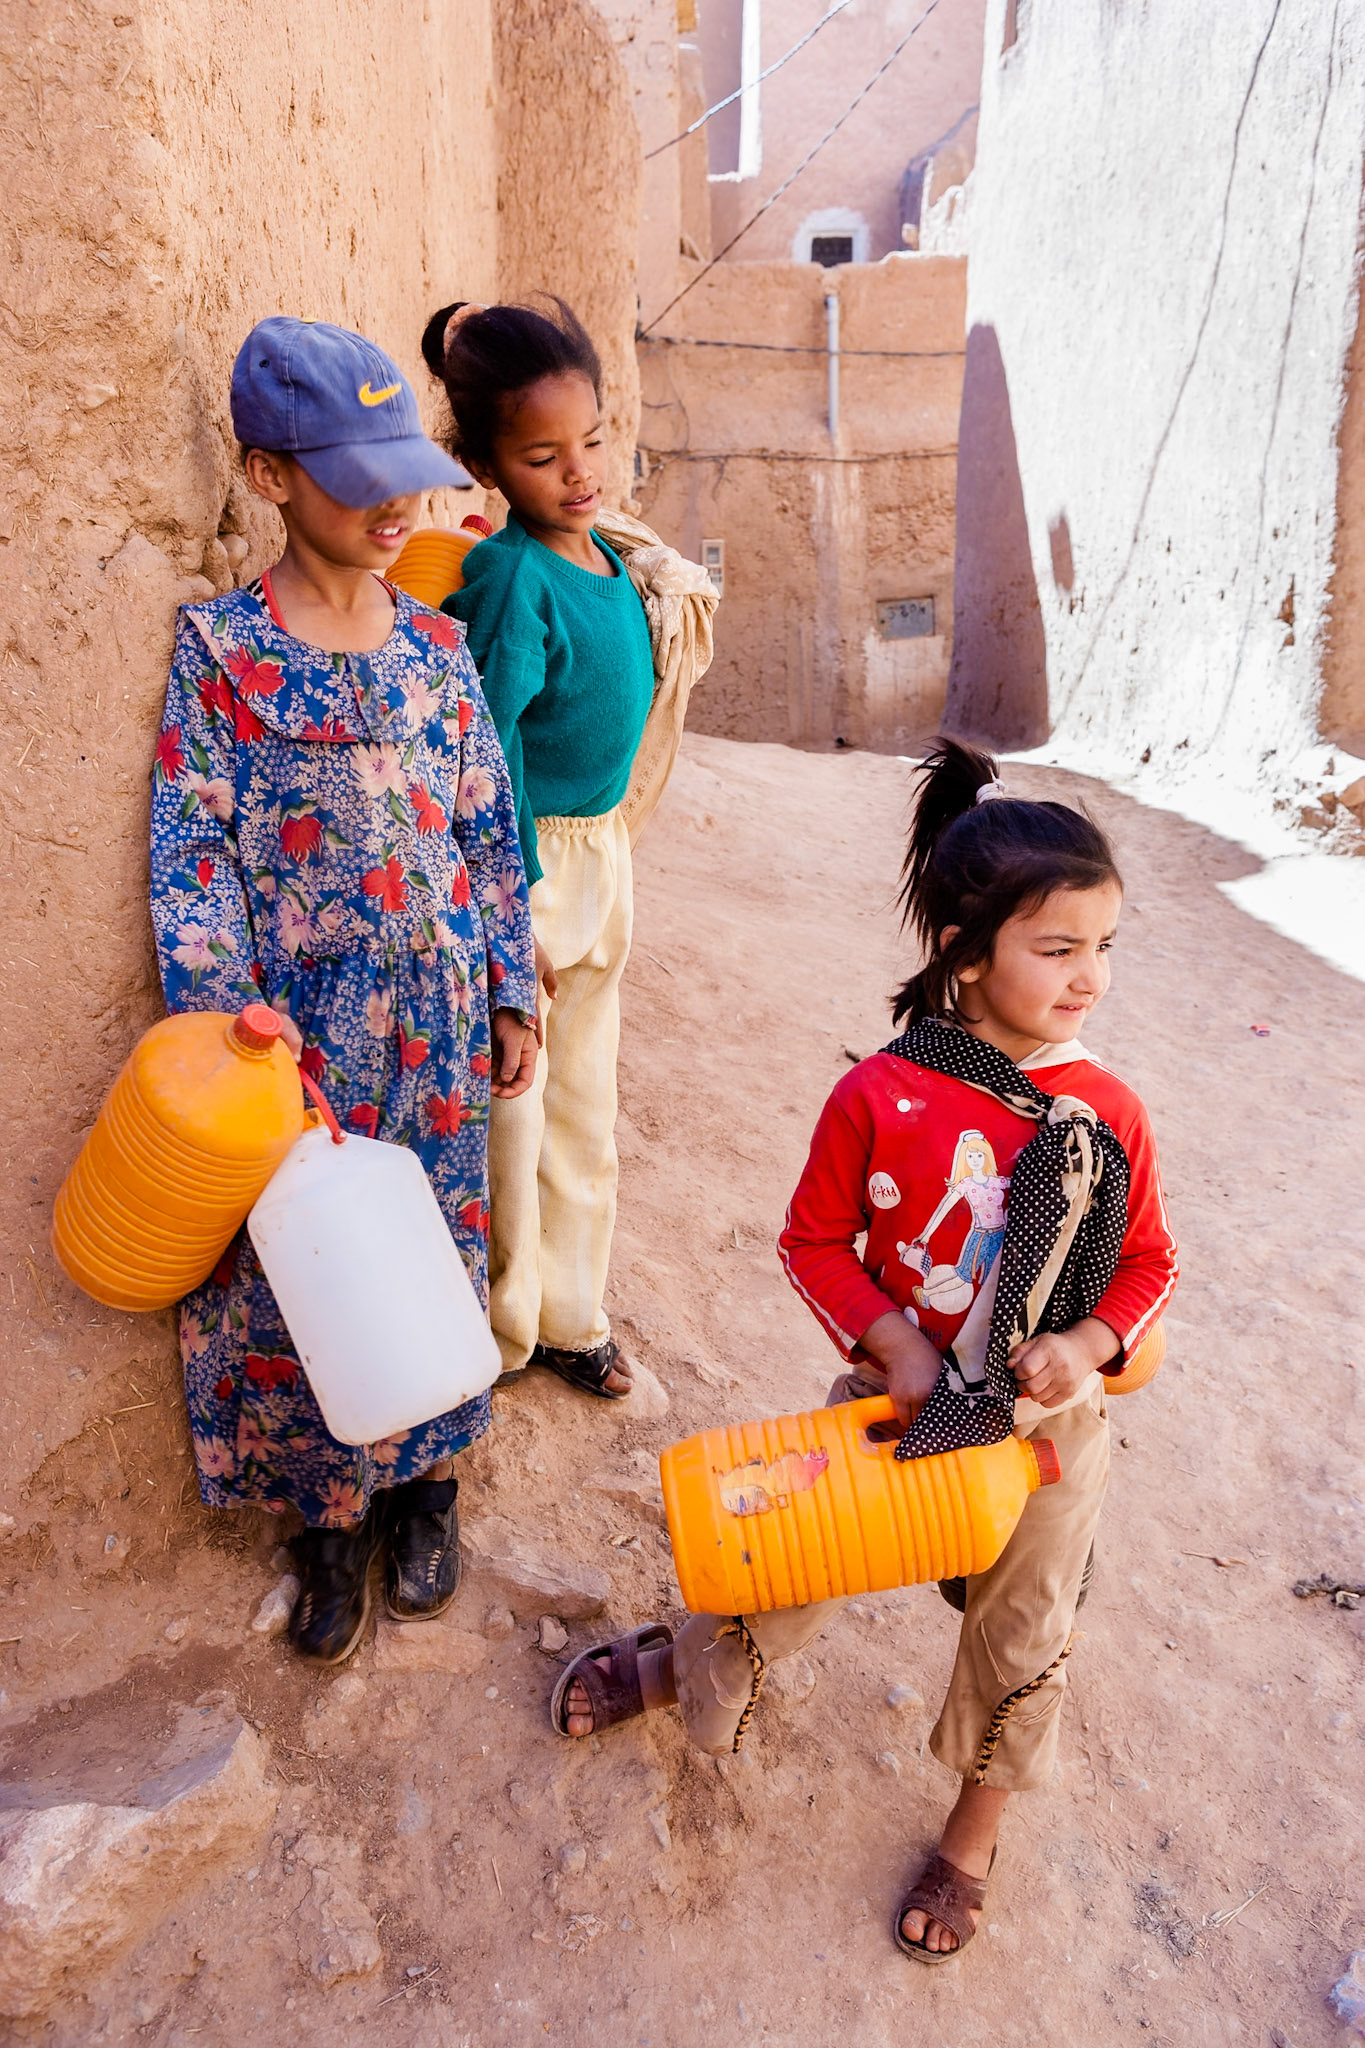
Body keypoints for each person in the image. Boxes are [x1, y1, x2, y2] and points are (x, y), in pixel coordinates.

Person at [548, 739, 1179, 1964]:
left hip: (1045, 1436)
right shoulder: (885, 1094)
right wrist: (892, 1342)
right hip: (896, 1407)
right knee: (788, 1560)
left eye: (1104, 946)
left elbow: (1150, 1264)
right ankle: (686, 1670)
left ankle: (975, 1829)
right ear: (961, 946)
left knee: (1023, 1631)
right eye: (1058, 948)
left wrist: (1089, 1342)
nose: (1089, 976)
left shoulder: (1111, 1111)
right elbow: (815, 1239)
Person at [149, 317, 538, 1664]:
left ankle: (425, 1488)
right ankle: (321, 1517)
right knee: (298, 1270)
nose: (396, 505)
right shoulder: (221, 655)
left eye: (407, 470)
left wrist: (505, 989)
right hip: (293, 1043)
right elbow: (192, 848)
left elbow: (488, 825)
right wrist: (228, 1018)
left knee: (430, 1249)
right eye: (354, 473)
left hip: (433, 1031)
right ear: (269, 477)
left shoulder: (437, 653)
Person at [425, 297, 659, 1401]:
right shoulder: (516, 578)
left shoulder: (608, 556)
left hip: (601, 859)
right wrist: (509, 911)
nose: (579, 473)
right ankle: (503, 1328)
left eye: (593, 441)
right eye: (542, 456)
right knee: (515, 1112)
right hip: (537, 868)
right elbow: (490, 746)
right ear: (484, 465)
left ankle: (574, 1311)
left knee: (587, 1107)